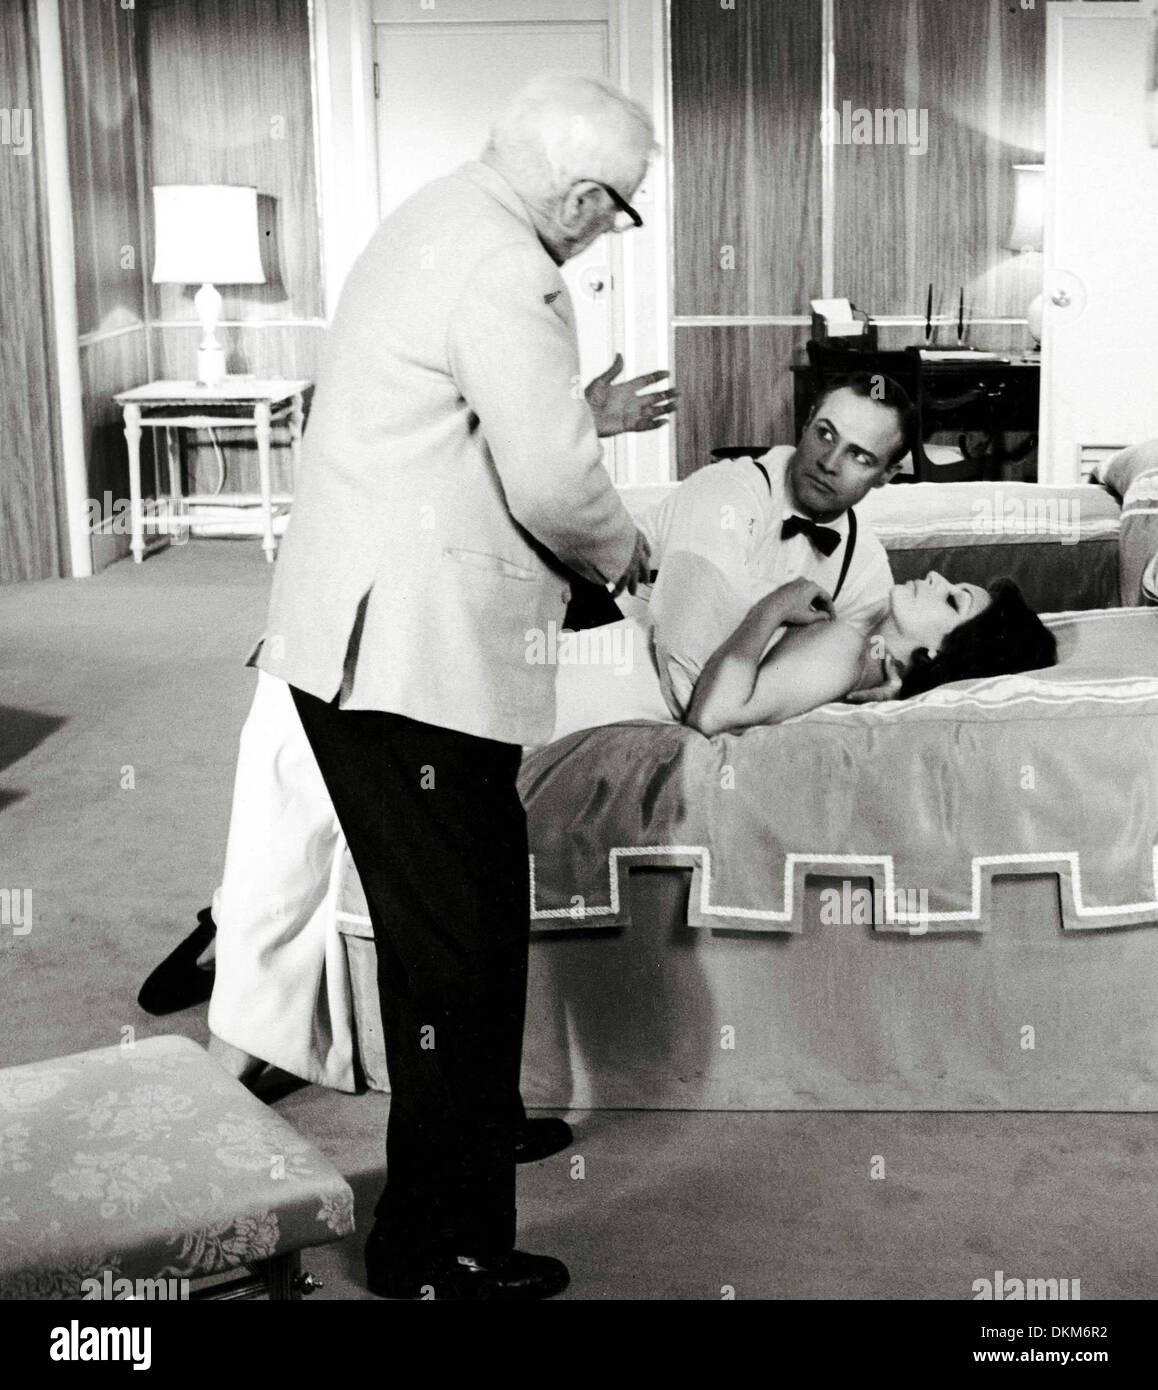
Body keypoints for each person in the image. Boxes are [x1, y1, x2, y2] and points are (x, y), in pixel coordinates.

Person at [250, 71, 661, 1302]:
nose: (607, 231)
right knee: (462, 956)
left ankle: (466, 1130)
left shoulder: (438, 214)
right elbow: (547, 480)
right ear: (585, 196)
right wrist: (623, 548)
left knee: (446, 944)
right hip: (409, 668)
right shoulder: (513, 269)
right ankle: (440, 1247)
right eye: (619, 210)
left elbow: (458, 433)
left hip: (358, 647)